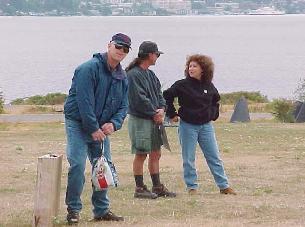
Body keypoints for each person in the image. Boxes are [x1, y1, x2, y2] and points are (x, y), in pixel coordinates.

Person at [64, 33, 131, 224]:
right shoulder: (87, 69)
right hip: (78, 122)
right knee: (77, 165)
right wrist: (93, 128)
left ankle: (101, 210)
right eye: (118, 46)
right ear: (109, 45)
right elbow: (84, 102)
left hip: (101, 127)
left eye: (125, 49)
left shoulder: (122, 76)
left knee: (102, 166)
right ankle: (73, 210)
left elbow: (123, 106)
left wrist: (114, 123)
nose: (121, 51)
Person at [163, 54, 236, 196]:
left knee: (214, 156)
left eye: (194, 66)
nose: (191, 68)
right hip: (187, 126)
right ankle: (192, 187)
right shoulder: (181, 85)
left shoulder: (209, 86)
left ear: (203, 69)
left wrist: (213, 114)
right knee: (188, 158)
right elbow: (167, 96)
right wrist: (172, 114)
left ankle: (224, 186)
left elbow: (215, 100)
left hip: (206, 127)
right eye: (189, 66)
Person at [126, 41, 176, 199]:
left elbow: (160, 95)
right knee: (141, 153)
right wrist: (154, 113)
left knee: (156, 152)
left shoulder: (150, 74)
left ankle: (157, 186)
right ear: (149, 55)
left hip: (155, 119)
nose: (157, 57)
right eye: (156, 54)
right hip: (141, 120)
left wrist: (162, 109)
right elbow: (138, 99)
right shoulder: (133, 75)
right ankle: (139, 188)